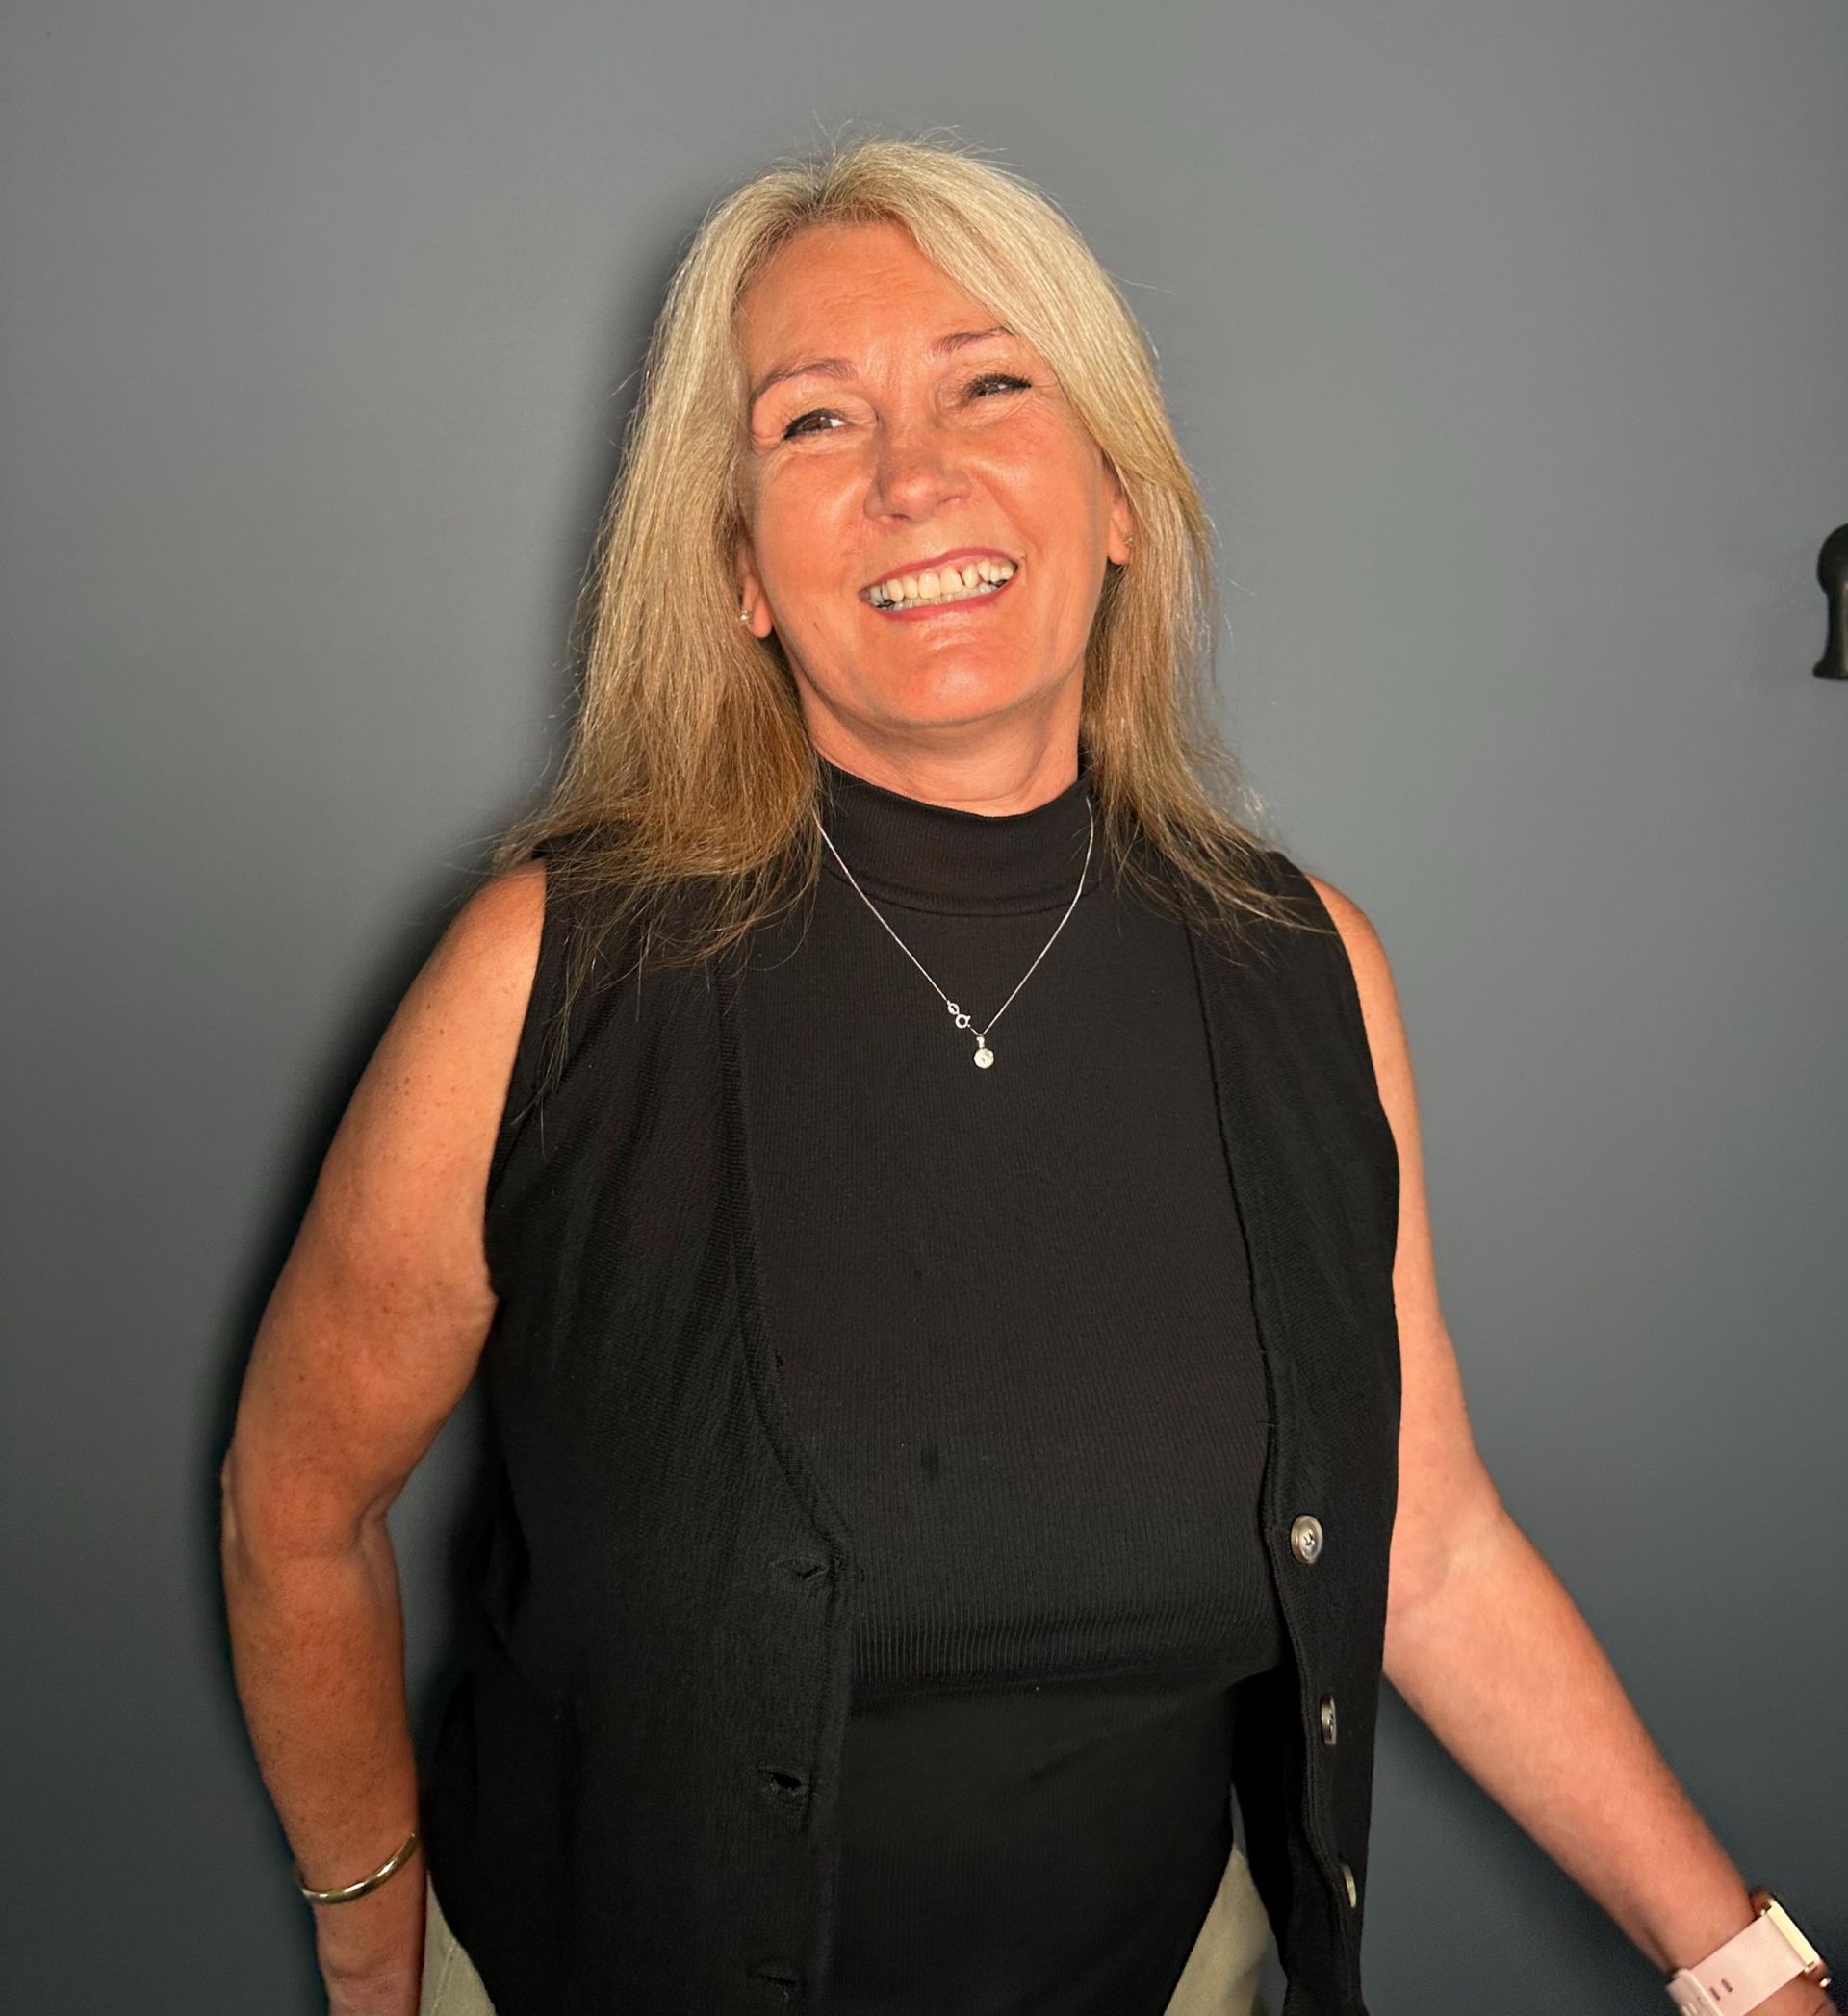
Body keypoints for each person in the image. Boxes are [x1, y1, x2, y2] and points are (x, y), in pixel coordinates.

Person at [219, 139, 1837, 2016]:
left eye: (993, 382)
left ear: (1120, 496)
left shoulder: (1305, 966)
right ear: (739, 566)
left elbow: (1431, 1543)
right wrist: (369, 1931)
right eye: (814, 421)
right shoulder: (551, 970)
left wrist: (1745, 1968)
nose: (917, 476)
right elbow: (293, 1501)